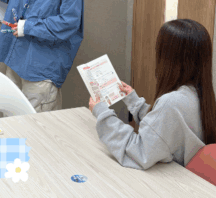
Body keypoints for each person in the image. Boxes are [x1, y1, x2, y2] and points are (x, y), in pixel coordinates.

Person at [89, 19, 216, 170]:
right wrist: (134, 102)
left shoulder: (172, 102)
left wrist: (102, 112)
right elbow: (165, 128)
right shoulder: (198, 95)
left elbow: (138, 152)